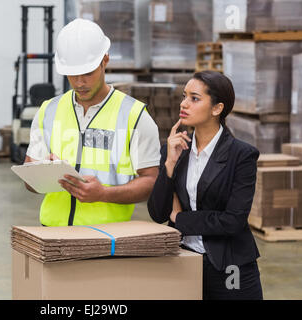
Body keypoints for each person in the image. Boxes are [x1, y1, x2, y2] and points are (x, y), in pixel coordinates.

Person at [24, 19, 160, 226]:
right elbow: (29, 182)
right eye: (73, 74)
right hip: (52, 235)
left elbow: (151, 181)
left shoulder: (134, 116)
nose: (80, 83)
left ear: (105, 60)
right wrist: (43, 172)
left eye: (87, 73)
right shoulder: (47, 111)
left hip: (105, 239)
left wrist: (103, 194)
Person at [147, 70, 263, 300]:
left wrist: (180, 219)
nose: (184, 103)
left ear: (217, 108)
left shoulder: (241, 155)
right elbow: (158, 213)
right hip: (185, 260)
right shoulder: (175, 150)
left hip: (230, 266)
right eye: (184, 96)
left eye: (194, 98)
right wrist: (169, 163)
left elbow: (233, 220)